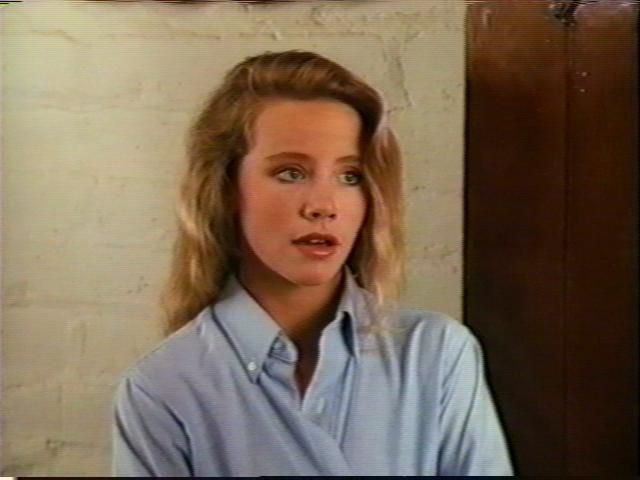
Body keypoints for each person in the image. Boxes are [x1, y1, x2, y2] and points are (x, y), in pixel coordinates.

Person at [111, 50, 513, 476]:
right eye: (290, 173)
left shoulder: (435, 355)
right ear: (226, 188)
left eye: (350, 176)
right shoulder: (163, 389)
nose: (324, 206)